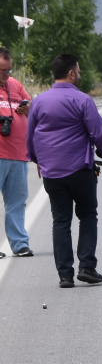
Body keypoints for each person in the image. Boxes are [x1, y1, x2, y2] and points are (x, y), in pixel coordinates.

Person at [26, 54, 102, 288]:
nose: (80, 73)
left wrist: (39, 161)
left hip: (52, 173)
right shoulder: (82, 100)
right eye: (78, 70)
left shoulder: (39, 102)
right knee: (87, 215)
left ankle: (65, 275)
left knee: (60, 220)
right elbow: (98, 133)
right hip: (79, 170)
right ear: (71, 73)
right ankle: (87, 267)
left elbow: (30, 137)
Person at [0, 46, 32, 257]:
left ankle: (20, 244)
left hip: (19, 154)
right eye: (2, 71)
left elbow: (32, 107)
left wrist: (27, 108)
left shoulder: (15, 85)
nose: (6, 75)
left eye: (8, 70)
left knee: (17, 202)